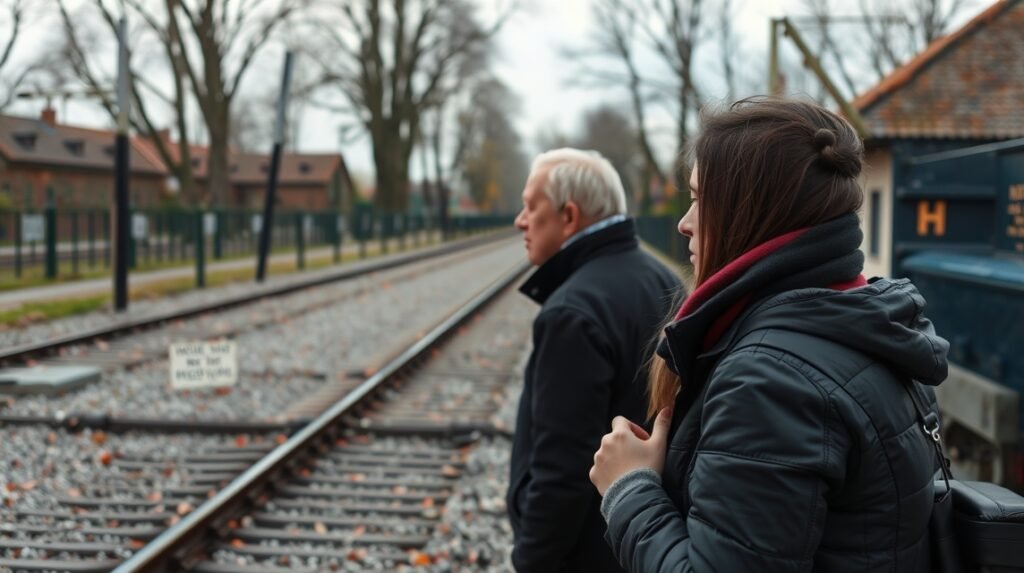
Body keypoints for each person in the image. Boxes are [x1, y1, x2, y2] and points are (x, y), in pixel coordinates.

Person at [589, 97, 947, 572]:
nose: (684, 223)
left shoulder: (770, 382)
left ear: (749, 215)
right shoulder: (869, 324)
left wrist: (628, 488)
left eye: (700, 200)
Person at [508, 148, 682, 572]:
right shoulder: (664, 280)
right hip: (640, 541)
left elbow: (561, 471)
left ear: (569, 216)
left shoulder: (572, 312)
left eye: (531, 206)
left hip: (587, 552)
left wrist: (531, 561)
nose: (520, 219)